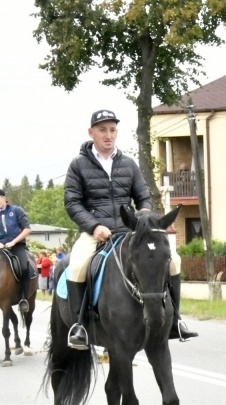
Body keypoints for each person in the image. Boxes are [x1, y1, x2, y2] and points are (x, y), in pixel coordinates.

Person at [63, 108, 196, 349]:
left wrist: (144, 214)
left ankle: (175, 320)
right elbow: (73, 203)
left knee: (174, 261)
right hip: (96, 232)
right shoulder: (78, 165)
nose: (108, 135)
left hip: (130, 231)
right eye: (102, 130)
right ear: (91, 132)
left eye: (112, 130)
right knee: (78, 265)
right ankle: (80, 326)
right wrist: (94, 226)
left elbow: (143, 196)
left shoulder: (128, 164)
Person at [0, 188, 32, 314]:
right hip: (1, 246)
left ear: (4, 198)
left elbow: (27, 229)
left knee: (24, 267)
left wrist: (14, 242)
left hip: (17, 245)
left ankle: (24, 298)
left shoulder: (16, 210)